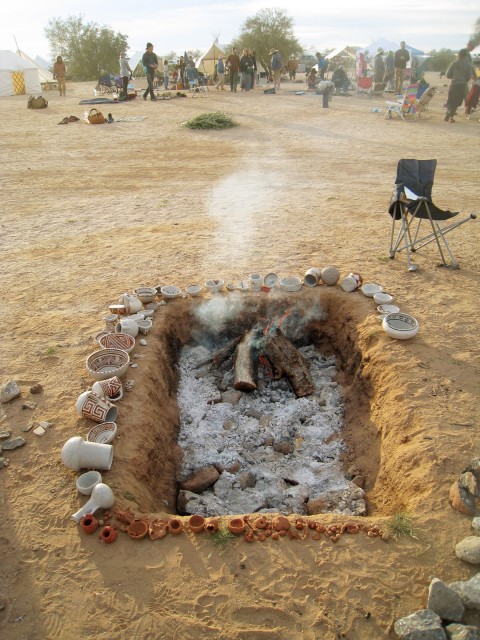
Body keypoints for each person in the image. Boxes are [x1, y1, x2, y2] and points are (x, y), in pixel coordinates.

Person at [444, 49, 474, 123]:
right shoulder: (468, 64)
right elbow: (469, 76)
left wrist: (453, 77)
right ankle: (451, 117)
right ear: (466, 55)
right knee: (457, 101)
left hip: (453, 84)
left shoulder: (454, 63)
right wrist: (464, 80)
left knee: (450, 100)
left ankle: (449, 111)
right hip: (462, 84)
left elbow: (447, 74)